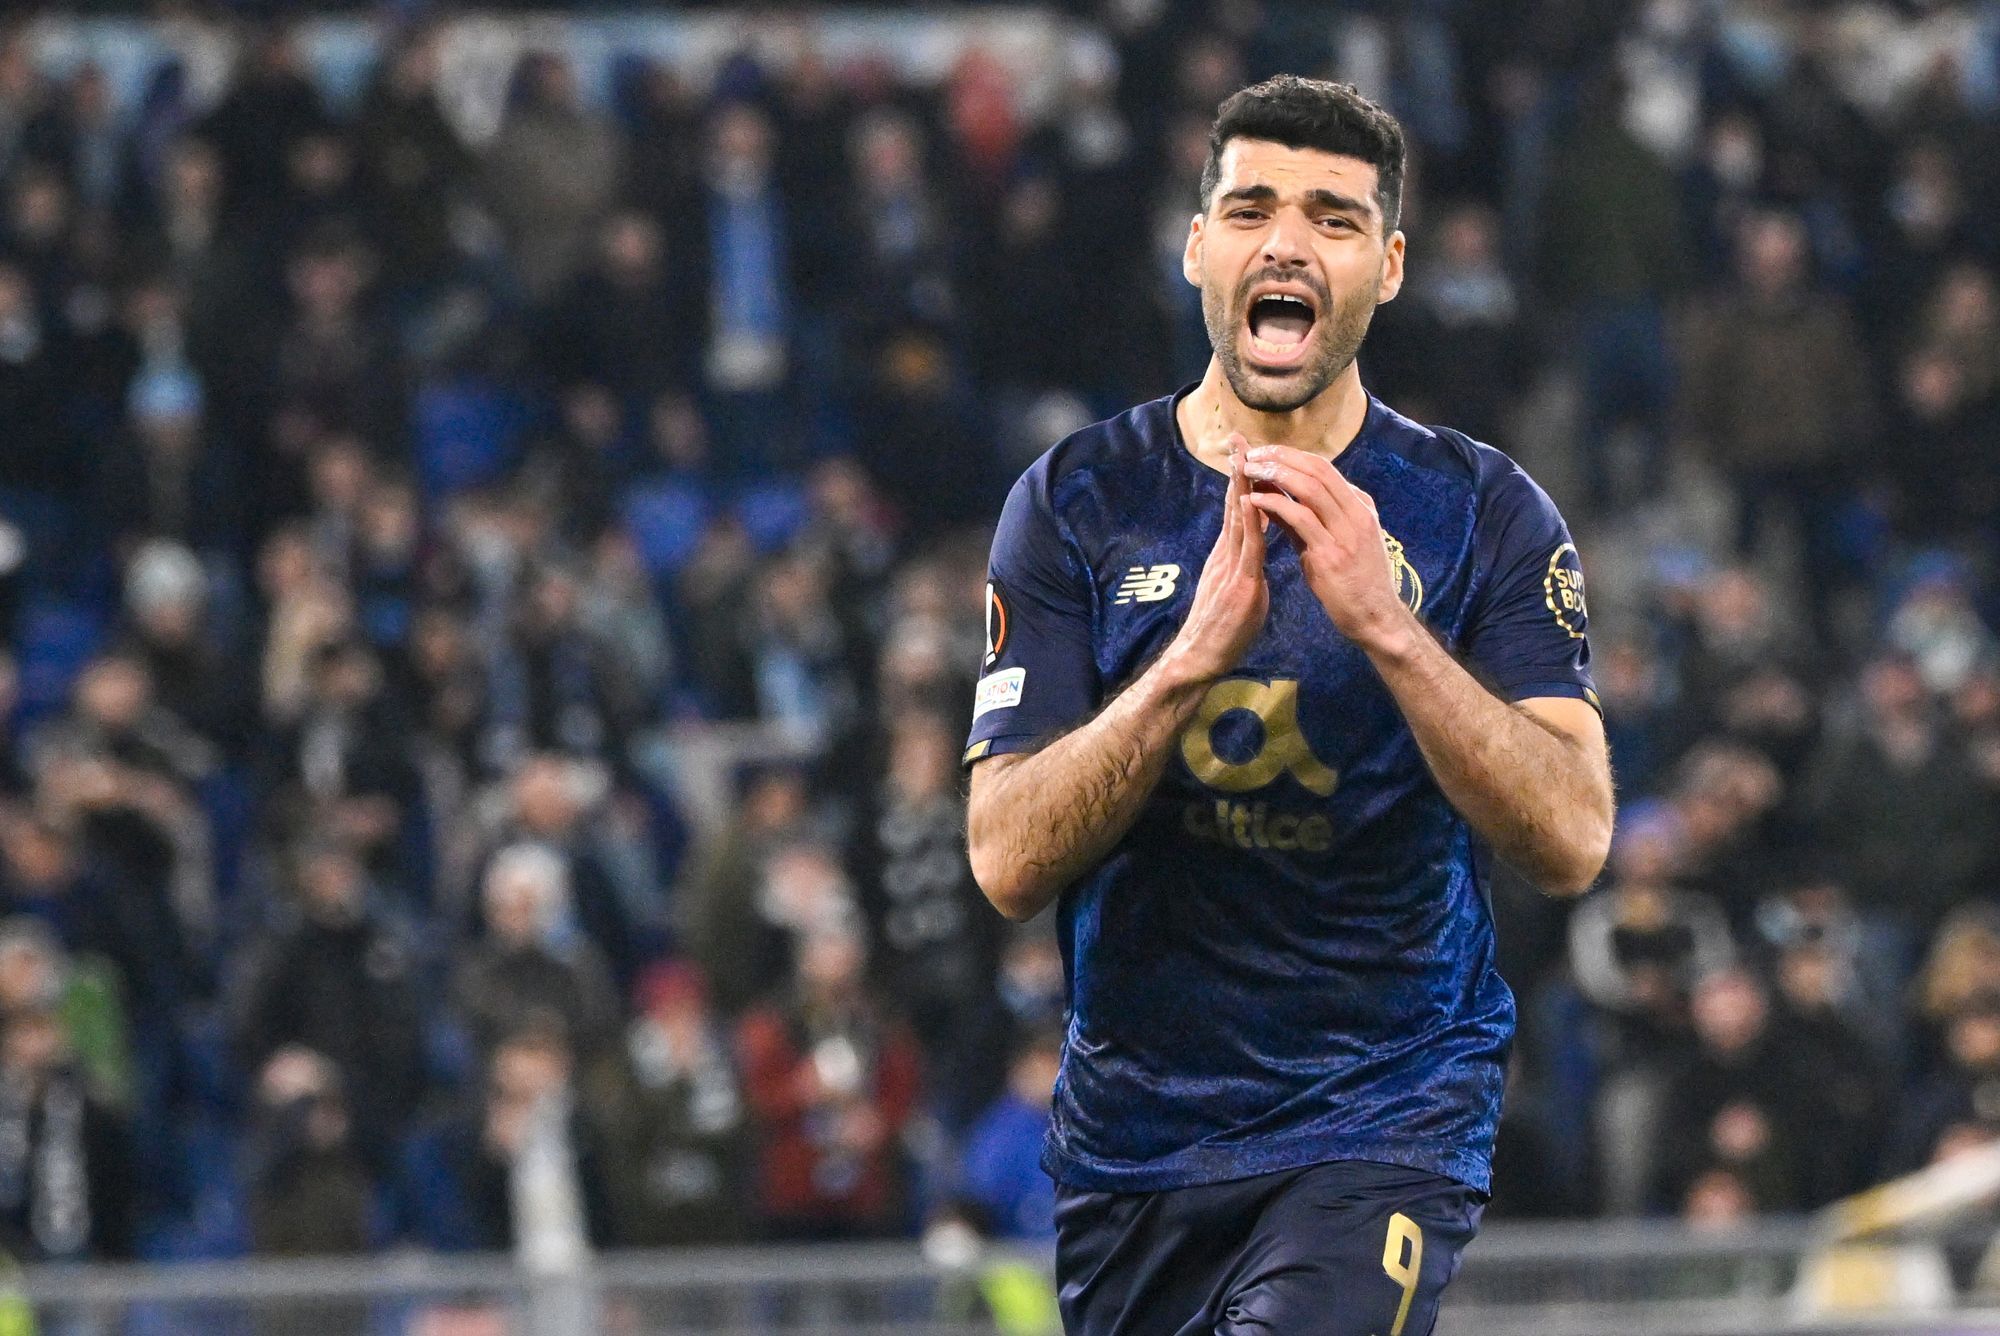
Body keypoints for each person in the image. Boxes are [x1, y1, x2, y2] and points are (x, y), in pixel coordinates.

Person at [962, 77, 1613, 1335]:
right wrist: (1186, 662)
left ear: (1389, 266)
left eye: (1332, 216)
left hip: (1382, 1112)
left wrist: (1388, 629)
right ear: (1195, 245)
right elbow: (1005, 858)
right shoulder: (1076, 502)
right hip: (1134, 1143)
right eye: (1251, 208)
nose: (1286, 243)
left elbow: (1572, 835)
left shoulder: (1480, 512)